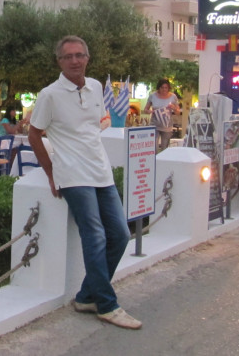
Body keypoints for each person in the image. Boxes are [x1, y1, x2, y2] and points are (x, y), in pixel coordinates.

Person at [28, 35, 140, 330]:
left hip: (100, 170)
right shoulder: (49, 95)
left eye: (80, 55)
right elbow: (34, 134)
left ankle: (87, 296)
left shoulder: (96, 87)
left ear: (88, 58)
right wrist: (50, 172)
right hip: (72, 173)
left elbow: (93, 127)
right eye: (68, 57)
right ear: (59, 62)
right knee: (96, 235)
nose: (75, 61)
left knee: (120, 234)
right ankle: (107, 304)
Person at [143, 78, 180, 153]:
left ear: (168, 88)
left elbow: (178, 112)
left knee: (165, 148)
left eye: (166, 88)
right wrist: (150, 111)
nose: (164, 90)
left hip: (167, 125)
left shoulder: (173, 97)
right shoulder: (153, 96)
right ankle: (155, 159)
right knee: (154, 148)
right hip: (155, 124)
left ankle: (163, 159)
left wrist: (174, 108)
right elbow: (145, 109)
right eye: (162, 88)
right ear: (159, 88)